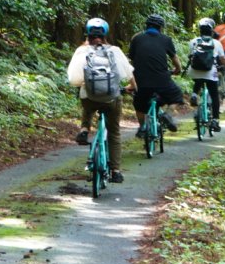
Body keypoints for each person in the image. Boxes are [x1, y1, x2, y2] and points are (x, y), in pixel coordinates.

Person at [67, 17, 133, 184]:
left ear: (87, 34)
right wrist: (133, 87)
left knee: (87, 101)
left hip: (89, 98)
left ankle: (84, 129)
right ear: (105, 34)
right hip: (111, 99)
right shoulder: (115, 51)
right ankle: (116, 171)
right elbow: (128, 74)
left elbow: (74, 79)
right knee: (114, 132)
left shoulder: (82, 51)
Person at [128, 13, 184, 136]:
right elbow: (175, 59)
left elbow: (131, 60)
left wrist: (132, 79)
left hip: (141, 80)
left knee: (139, 105)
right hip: (161, 80)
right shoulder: (166, 39)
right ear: (161, 27)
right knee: (177, 95)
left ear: (147, 26)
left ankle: (142, 127)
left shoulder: (137, 39)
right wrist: (178, 69)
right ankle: (168, 115)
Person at [187, 17, 225, 132]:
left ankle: (194, 94)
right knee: (214, 95)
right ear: (211, 31)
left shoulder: (193, 41)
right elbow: (222, 58)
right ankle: (215, 120)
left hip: (194, 71)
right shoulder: (216, 43)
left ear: (200, 30)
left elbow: (190, 56)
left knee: (198, 79)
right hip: (211, 72)